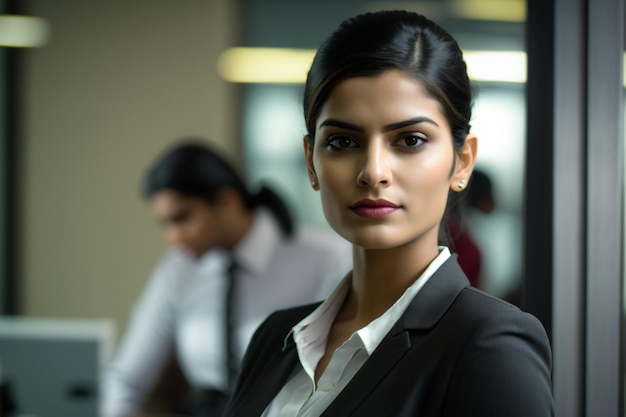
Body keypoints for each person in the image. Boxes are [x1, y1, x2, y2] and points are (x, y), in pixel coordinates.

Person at [223, 10, 553, 417]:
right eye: (343, 141)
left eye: (410, 140)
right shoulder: (275, 336)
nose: (373, 172)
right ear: (311, 162)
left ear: (462, 162)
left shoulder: (487, 343)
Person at [100, 139, 352, 417]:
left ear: (226, 201)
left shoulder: (328, 259)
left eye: (182, 218)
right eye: (165, 224)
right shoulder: (178, 269)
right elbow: (125, 380)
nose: (173, 238)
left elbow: (343, 374)